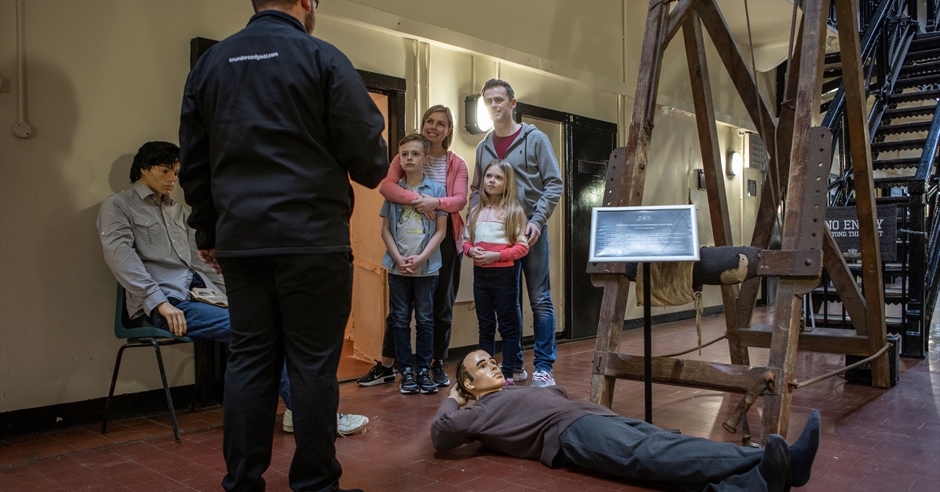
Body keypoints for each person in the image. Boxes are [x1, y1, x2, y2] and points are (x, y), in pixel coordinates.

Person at [177, 0, 388, 489]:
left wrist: (208, 232)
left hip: (242, 243)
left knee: (250, 362)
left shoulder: (210, 65)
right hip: (312, 240)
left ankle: (243, 483)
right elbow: (370, 163)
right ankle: (315, 485)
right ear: (308, 2)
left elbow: (193, 160)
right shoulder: (324, 58)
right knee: (312, 365)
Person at [96, 142, 369, 442]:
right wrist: (158, 303)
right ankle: (318, 419)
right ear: (143, 170)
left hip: (201, 294)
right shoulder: (118, 206)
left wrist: (242, 292)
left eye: (175, 172)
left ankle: (299, 412)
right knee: (258, 333)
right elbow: (122, 260)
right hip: (168, 303)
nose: (172, 179)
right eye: (164, 171)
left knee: (279, 322)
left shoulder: (176, 209)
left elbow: (197, 261)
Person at [432, 350, 821, 492]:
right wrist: (452, 398)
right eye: (481, 366)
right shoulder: (477, 413)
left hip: (593, 415)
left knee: (661, 451)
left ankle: (755, 484)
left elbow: (556, 394)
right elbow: (442, 433)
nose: (494, 366)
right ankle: (779, 463)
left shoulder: (513, 392)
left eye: (494, 360)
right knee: (655, 452)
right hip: (571, 432)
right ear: (468, 382)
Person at [359, 105, 469, 388]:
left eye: (441, 123)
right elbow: (386, 187)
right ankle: (388, 364)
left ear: (448, 130)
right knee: (398, 310)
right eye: (429, 121)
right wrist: (420, 202)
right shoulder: (405, 155)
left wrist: (436, 203)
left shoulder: (456, 163)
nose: (434, 127)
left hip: (442, 241)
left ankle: (435, 364)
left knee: (439, 308)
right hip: (405, 243)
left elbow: (458, 200)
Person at [469, 79, 564, 387]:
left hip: (531, 233)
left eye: (500, 100)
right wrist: (473, 221)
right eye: (489, 101)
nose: (494, 105)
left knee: (540, 299)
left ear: (512, 103)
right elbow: (476, 190)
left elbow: (554, 183)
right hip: (498, 238)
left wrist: (537, 219)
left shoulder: (535, 138)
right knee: (510, 306)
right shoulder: (483, 147)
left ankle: (544, 367)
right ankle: (516, 366)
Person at [379, 134, 447, 395]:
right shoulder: (394, 190)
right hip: (398, 268)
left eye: (415, 154)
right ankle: (404, 370)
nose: (409, 158)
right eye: (404, 154)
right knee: (399, 320)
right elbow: (385, 229)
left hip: (426, 268)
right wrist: (398, 258)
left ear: (425, 158)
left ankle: (423, 369)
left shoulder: (436, 191)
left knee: (426, 320)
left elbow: (440, 231)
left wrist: (420, 259)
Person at [462, 160, 528, 383]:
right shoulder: (475, 211)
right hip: (481, 277)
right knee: (485, 325)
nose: (492, 180)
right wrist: (471, 251)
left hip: (504, 277)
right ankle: (485, 374)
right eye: (489, 176)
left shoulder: (514, 212)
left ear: (507, 184)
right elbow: (465, 241)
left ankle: (508, 373)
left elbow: (522, 246)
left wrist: (497, 256)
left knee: (508, 326)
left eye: (499, 177)